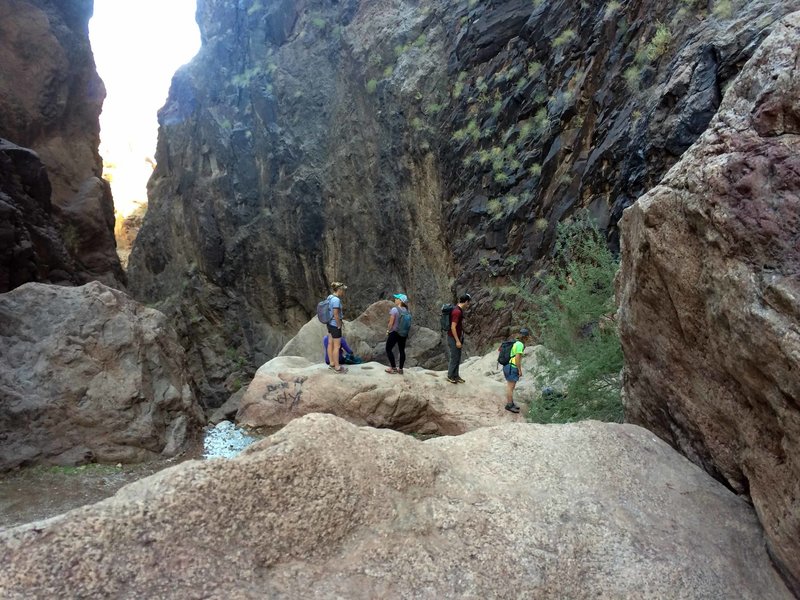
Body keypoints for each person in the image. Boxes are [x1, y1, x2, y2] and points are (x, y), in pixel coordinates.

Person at [504, 327, 531, 413]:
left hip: (508, 366)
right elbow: (517, 358)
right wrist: (519, 370)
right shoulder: (520, 345)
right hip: (512, 367)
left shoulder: (516, 343)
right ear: (526, 337)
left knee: (510, 387)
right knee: (510, 387)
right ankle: (509, 405)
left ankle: (511, 403)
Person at [446, 293, 471, 384]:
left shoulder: (457, 309)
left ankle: (456, 375)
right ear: (466, 302)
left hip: (456, 337)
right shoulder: (457, 312)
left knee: (457, 357)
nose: (468, 305)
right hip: (453, 338)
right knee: (454, 357)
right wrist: (457, 341)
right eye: (468, 303)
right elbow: (453, 327)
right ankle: (450, 376)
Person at [385, 293, 410, 374]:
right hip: (403, 333)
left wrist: (388, 331)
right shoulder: (407, 310)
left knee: (388, 349)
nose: (395, 299)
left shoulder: (394, 310)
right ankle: (401, 369)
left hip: (395, 333)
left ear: (400, 301)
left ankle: (393, 368)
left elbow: (390, 323)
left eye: (396, 298)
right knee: (402, 350)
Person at [326, 282, 348, 373]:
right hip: (335, 325)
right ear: (339, 290)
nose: (344, 292)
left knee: (330, 343)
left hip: (329, 324)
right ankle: (337, 367)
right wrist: (339, 325)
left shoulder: (329, 297)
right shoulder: (336, 300)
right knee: (337, 346)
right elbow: (336, 314)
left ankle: (331, 363)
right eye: (343, 290)